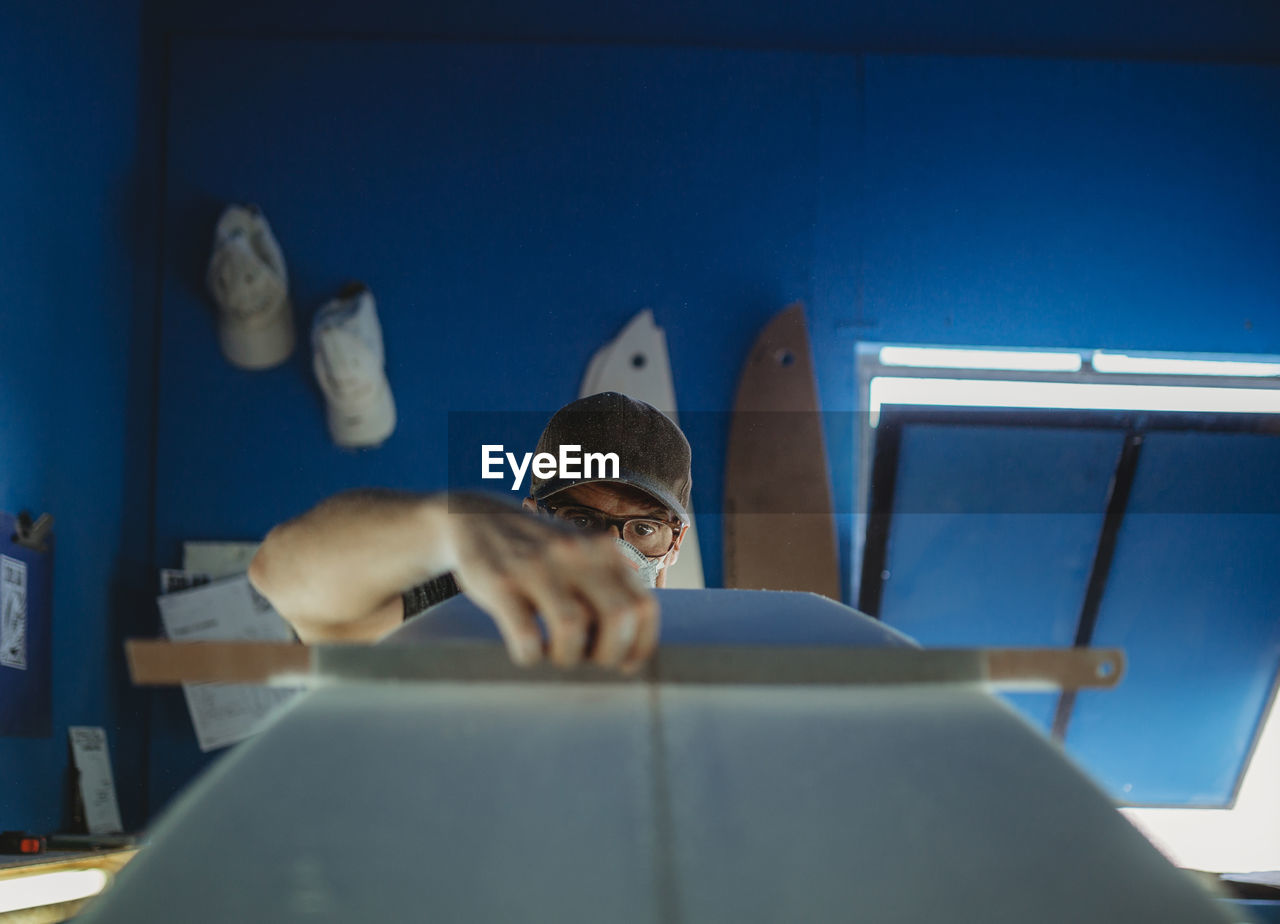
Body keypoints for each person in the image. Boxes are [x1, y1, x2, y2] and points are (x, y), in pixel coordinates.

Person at [248, 392, 691, 673]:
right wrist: (444, 529)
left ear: (675, 545)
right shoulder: (448, 606)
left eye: (644, 528)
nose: (609, 549)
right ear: (531, 518)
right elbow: (277, 574)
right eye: (578, 521)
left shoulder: (701, 646)